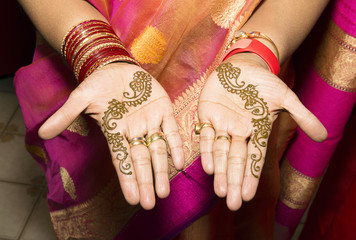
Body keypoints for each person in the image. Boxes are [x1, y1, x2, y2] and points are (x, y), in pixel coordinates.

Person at [15, 0, 329, 239]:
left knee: (217, 206)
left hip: (232, 62)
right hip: (89, 41)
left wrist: (257, 53)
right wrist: (97, 53)